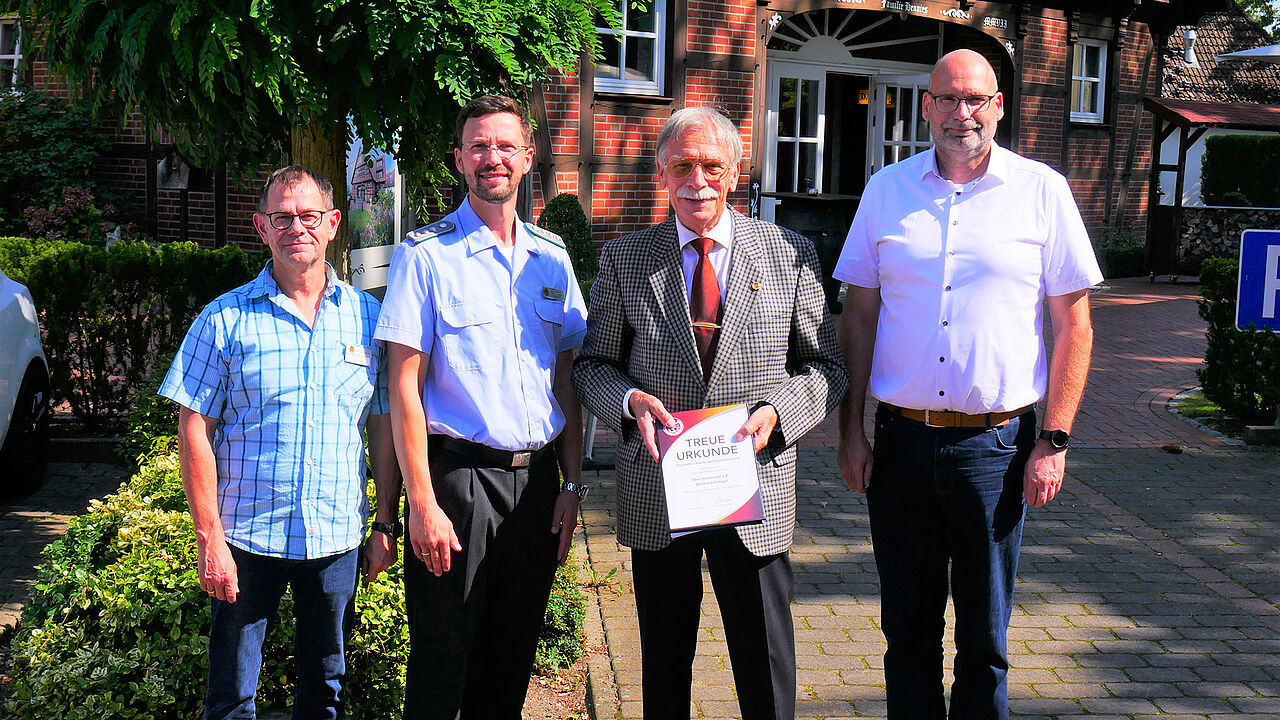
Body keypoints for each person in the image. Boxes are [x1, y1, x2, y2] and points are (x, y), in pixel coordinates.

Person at [833, 49, 1102, 719]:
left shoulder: (1041, 191)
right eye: (948, 98)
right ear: (926, 106)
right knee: (907, 635)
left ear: (999, 107)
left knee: (984, 640)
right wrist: (851, 433)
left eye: (976, 99)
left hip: (997, 451)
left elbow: (1075, 327)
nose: (962, 113)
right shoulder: (885, 191)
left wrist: (1056, 439)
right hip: (899, 445)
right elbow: (858, 317)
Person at [572, 106, 847, 720]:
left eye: (711, 167)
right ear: (662, 175)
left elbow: (827, 367)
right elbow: (592, 366)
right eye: (682, 168)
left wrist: (779, 412)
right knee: (664, 665)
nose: (697, 182)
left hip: (755, 491)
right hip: (658, 492)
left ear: (736, 172)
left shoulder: (788, 254)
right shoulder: (625, 260)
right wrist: (628, 400)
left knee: (766, 666)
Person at [374, 94, 588, 720]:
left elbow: (568, 380)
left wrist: (572, 484)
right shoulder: (426, 254)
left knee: (511, 658)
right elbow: (403, 388)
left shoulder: (554, 258)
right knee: (443, 662)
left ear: (527, 157)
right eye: (478, 147)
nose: (491, 158)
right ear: (461, 160)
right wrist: (420, 502)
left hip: (537, 485)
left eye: (504, 146)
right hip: (458, 484)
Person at [159, 165, 400, 720]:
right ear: (261, 228)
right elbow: (194, 429)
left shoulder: (369, 319)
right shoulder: (223, 319)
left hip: (334, 538)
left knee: (325, 691)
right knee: (230, 698)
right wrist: (208, 539)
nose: (297, 227)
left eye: (308, 215)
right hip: (246, 539)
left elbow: (384, 425)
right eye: (282, 217)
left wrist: (385, 521)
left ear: (333, 223)